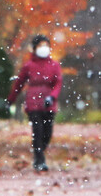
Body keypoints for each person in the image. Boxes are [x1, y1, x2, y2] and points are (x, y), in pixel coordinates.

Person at [7, 34, 62, 172]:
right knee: (37, 130)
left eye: (46, 45)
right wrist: (11, 99)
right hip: (33, 101)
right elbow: (19, 83)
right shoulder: (29, 66)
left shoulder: (54, 65)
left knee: (47, 132)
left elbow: (58, 83)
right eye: (40, 46)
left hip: (48, 101)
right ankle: (39, 159)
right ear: (35, 48)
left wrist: (52, 97)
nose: (43, 48)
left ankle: (40, 151)